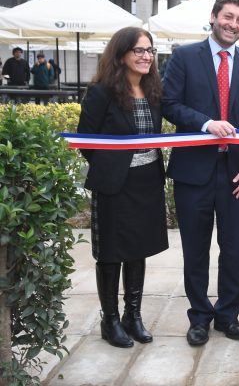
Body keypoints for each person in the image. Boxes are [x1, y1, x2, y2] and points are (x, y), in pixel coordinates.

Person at [162, 0, 239, 346]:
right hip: (194, 171)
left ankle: (229, 315)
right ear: (213, 16)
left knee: (234, 247)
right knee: (196, 248)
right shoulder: (185, 57)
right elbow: (169, 105)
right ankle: (200, 316)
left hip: (238, 172)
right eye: (228, 17)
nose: (233, 24)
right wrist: (206, 124)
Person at [77, 27, 168, 348]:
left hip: (147, 182)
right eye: (139, 51)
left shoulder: (153, 89)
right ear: (121, 55)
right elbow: (86, 140)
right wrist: (113, 165)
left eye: (150, 51)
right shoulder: (102, 92)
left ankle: (134, 315)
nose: (146, 57)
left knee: (138, 249)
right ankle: (110, 320)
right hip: (115, 185)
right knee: (111, 253)